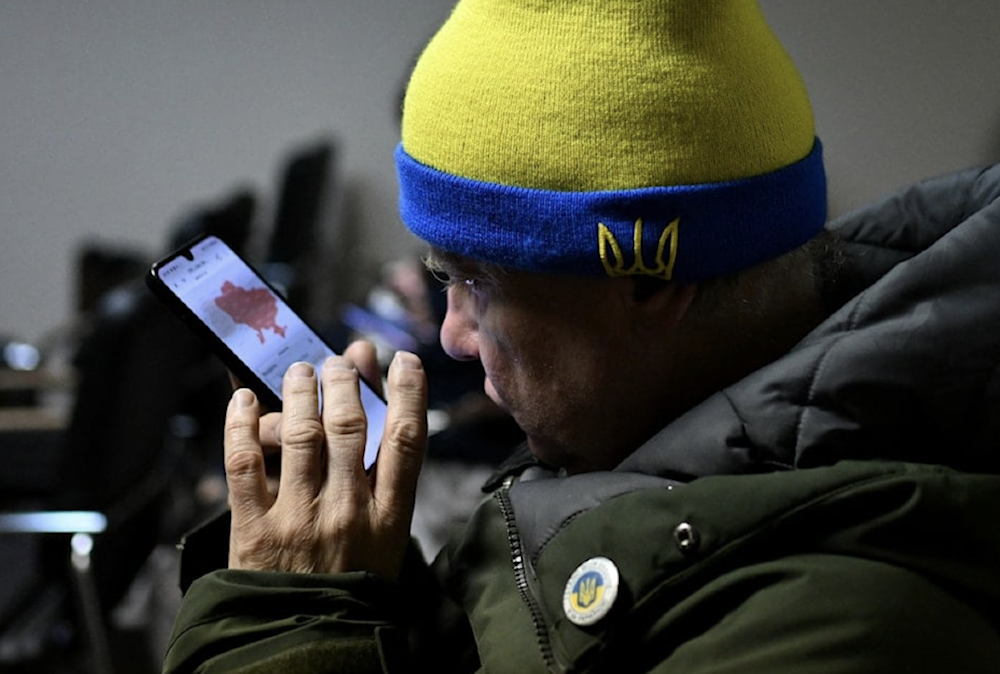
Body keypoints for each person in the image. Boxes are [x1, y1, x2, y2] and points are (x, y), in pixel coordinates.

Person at [163, 1, 1000, 672]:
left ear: (647, 277)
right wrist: (355, 578)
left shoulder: (843, 628)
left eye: (472, 282)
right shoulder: (623, 448)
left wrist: (283, 623)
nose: (451, 335)